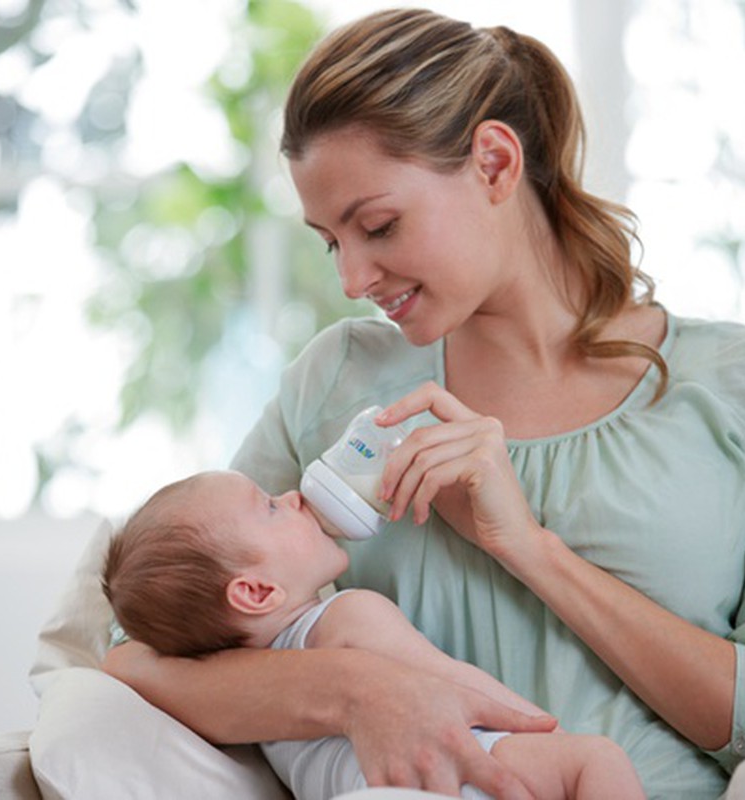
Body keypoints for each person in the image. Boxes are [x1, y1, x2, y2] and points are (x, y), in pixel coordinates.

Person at [102, 7, 745, 799]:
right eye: (331, 240)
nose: (351, 280)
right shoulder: (338, 379)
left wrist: (526, 546)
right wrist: (359, 691)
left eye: (378, 225)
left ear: (495, 165)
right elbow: (135, 658)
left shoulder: (725, 386)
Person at [101, 469, 646, 800]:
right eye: (269, 506)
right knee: (598, 760)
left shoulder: (252, 711)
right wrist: (544, 735)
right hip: (458, 774)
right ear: (258, 593)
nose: (292, 496)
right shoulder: (346, 616)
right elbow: (460, 689)